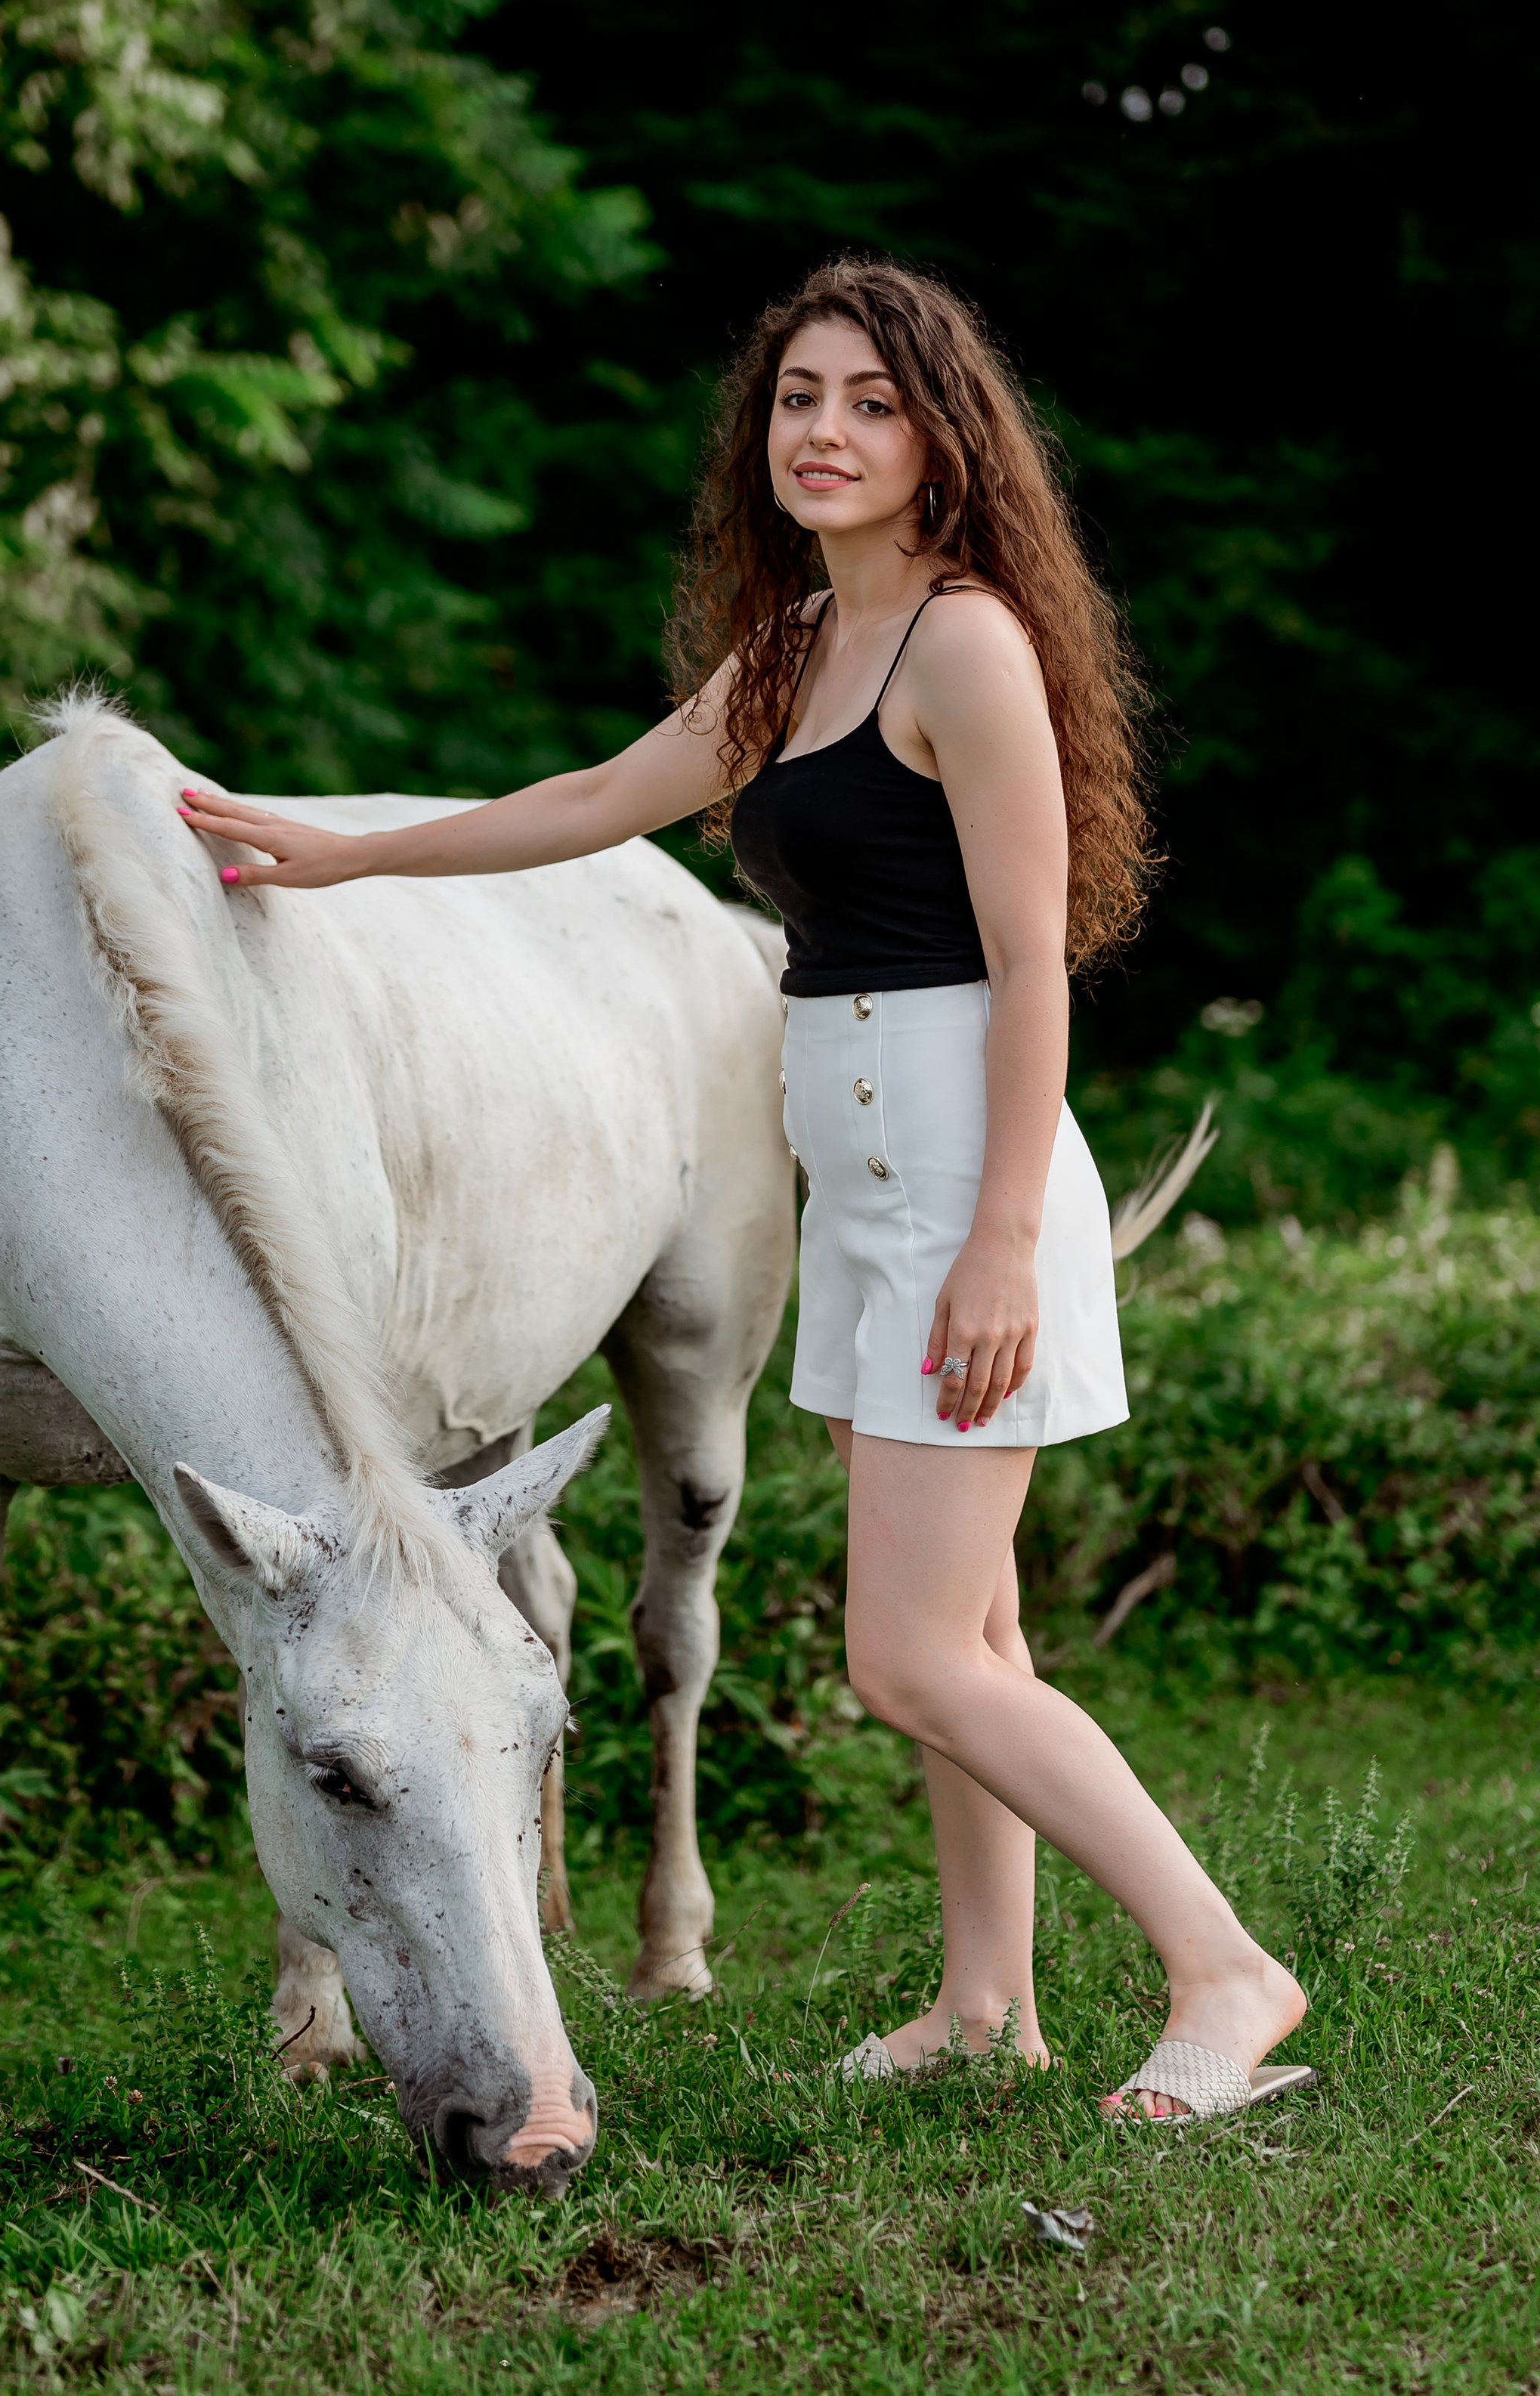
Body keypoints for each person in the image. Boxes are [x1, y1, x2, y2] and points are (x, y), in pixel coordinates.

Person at [175, 257, 1311, 2125]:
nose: (824, 431)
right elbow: (587, 797)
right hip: (855, 1180)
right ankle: (983, 2003)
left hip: (960, 1163)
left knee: (911, 1654)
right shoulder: (792, 646)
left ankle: (1221, 1967)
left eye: (868, 400)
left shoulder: (966, 643)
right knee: (981, 1627)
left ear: (943, 435)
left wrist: (1001, 1244)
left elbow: (1032, 967)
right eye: (798, 397)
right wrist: (326, 858)